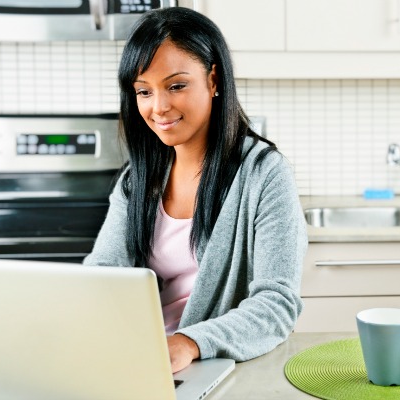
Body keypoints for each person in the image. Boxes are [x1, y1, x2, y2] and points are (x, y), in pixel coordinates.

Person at [83, 7, 307, 373]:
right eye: (144, 91)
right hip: (142, 362)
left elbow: (276, 304)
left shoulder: (264, 174)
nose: (159, 107)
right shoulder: (136, 180)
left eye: (176, 85)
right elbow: (104, 273)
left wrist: (188, 343)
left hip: (215, 365)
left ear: (214, 79)